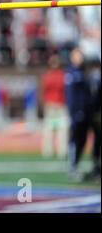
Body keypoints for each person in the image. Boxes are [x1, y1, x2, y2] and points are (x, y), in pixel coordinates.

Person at [65, 48, 92, 180]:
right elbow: (71, 96)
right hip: (77, 113)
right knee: (75, 141)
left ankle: (76, 166)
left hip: (85, 112)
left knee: (82, 140)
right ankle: (72, 167)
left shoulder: (82, 72)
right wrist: (75, 112)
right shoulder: (72, 73)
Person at [40, 54, 69, 158]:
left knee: (62, 130)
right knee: (49, 130)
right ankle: (48, 151)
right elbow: (43, 91)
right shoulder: (50, 76)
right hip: (52, 105)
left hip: (60, 105)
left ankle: (62, 151)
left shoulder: (62, 75)